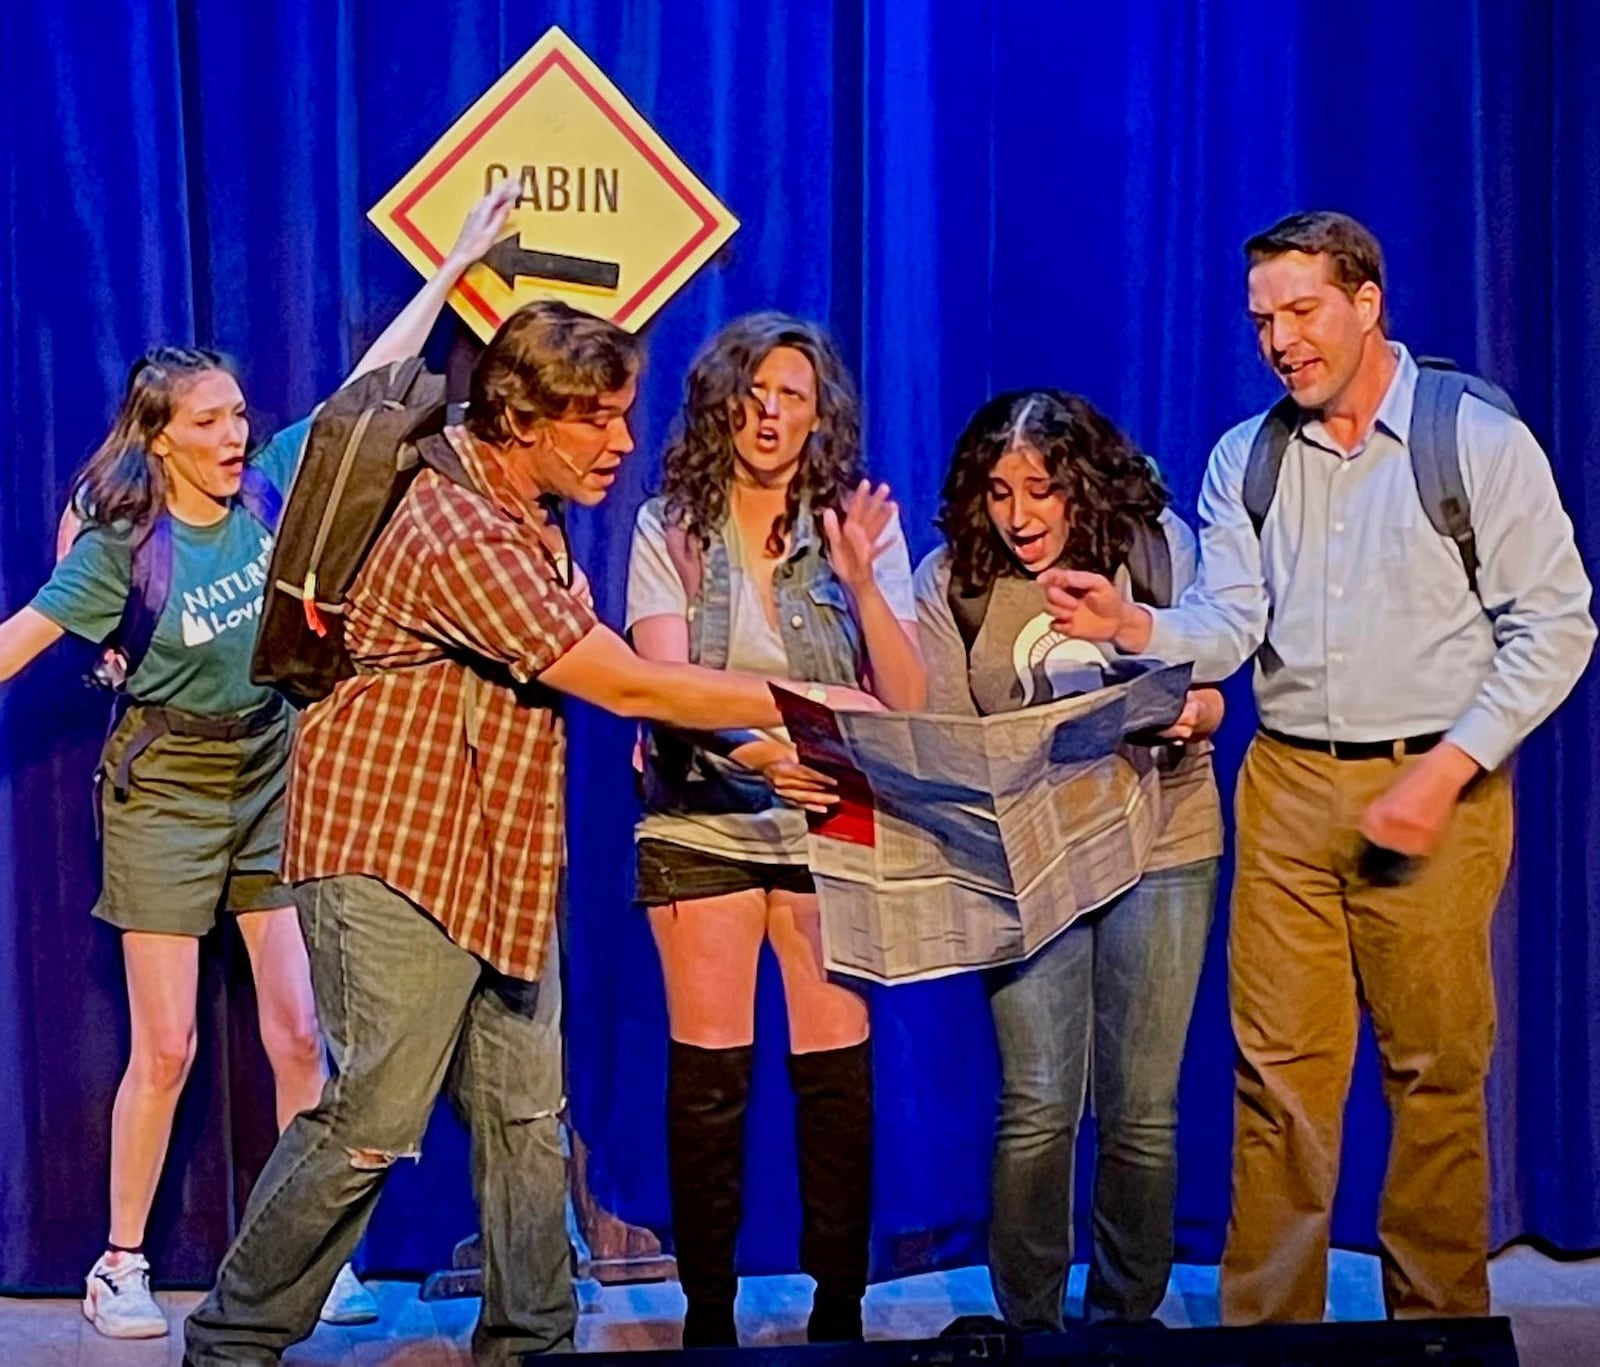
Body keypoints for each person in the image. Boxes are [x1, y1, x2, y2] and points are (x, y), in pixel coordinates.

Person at [181, 299, 885, 1366]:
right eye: (597, 419)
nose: (622, 443)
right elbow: (624, 677)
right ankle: (231, 1341)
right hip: (393, 855)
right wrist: (802, 701)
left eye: (623, 415)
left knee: (526, 1117)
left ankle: (531, 1342)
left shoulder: (524, 507)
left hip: (496, 854)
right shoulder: (453, 525)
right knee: (371, 1120)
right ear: (522, 415)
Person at [1044, 211, 1595, 1323]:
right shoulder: (1247, 458)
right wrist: (1137, 625)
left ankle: (1438, 1330)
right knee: (1278, 1077)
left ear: (1366, 301)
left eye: (1301, 311)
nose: (1281, 339)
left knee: (1436, 1075)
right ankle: (1266, 1336)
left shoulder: (1471, 438)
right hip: (1289, 787)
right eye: (1262, 320)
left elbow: (1558, 624)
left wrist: (1447, 771)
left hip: (1437, 785)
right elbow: (1230, 619)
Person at [0, 182, 521, 1341]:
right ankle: (120, 1259)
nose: (234, 433)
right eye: (208, 421)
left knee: (300, 1034)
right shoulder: (120, 551)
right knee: (170, 1040)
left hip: (272, 778)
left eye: (239, 413)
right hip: (166, 795)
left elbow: (371, 385)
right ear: (158, 435)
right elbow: (19, 642)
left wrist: (455, 265)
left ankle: (303, 1259)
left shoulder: (280, 484)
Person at [625, 313, 925, 1346]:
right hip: (708, 810)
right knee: (711, 1073)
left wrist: (863, 583)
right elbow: (665, 684)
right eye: (752, 391)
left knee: (834, 1069)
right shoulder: (669, 524)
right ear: (721, 403)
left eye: (791, 394)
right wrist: (765, 752)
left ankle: (835, 1309)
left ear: (817, 415)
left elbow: (909, 697)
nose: (769, 411)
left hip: (831, 821)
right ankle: (708, 1316)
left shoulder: (855, 525)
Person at [913, 389, 1223, 1329]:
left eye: (1040, 490)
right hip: (1028, 861)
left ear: (1079, 484)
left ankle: (1126, 1323)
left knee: (1142, 1110)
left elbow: (1208, 676)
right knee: (1039, 1104)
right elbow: (941, 734)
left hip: (1162, 841)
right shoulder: (954, 576)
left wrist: (1197, 709)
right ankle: (1030, 1330)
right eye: (1001, 492)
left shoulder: (1155, 546)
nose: (1020, 516)